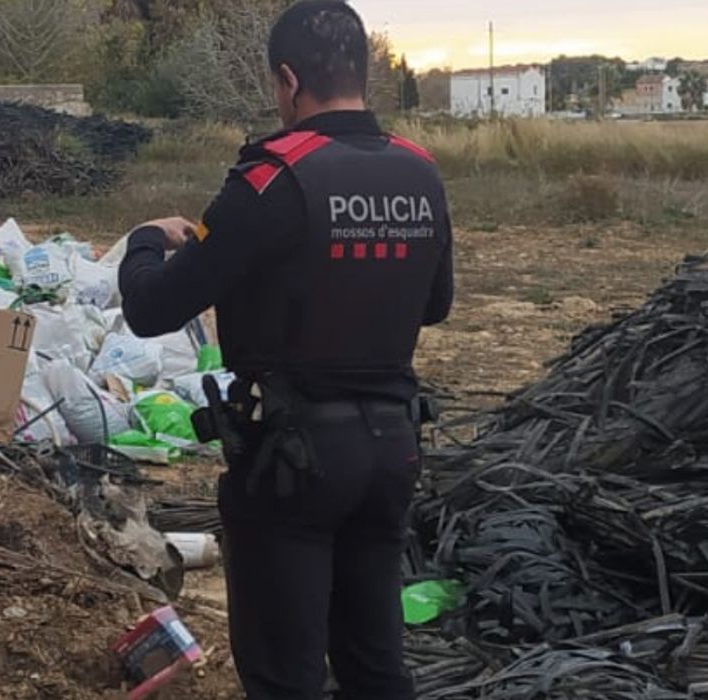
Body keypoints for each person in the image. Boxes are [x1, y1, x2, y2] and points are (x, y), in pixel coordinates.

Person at [118, 2, 453, 698]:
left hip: (293, 462)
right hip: (392, 448)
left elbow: (152, 309)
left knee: (284, 675)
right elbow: (436, 304)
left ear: (289, 80)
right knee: (375, 664)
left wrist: (146, 241)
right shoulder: (420, 172)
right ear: (363, 72)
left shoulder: (272, 180)